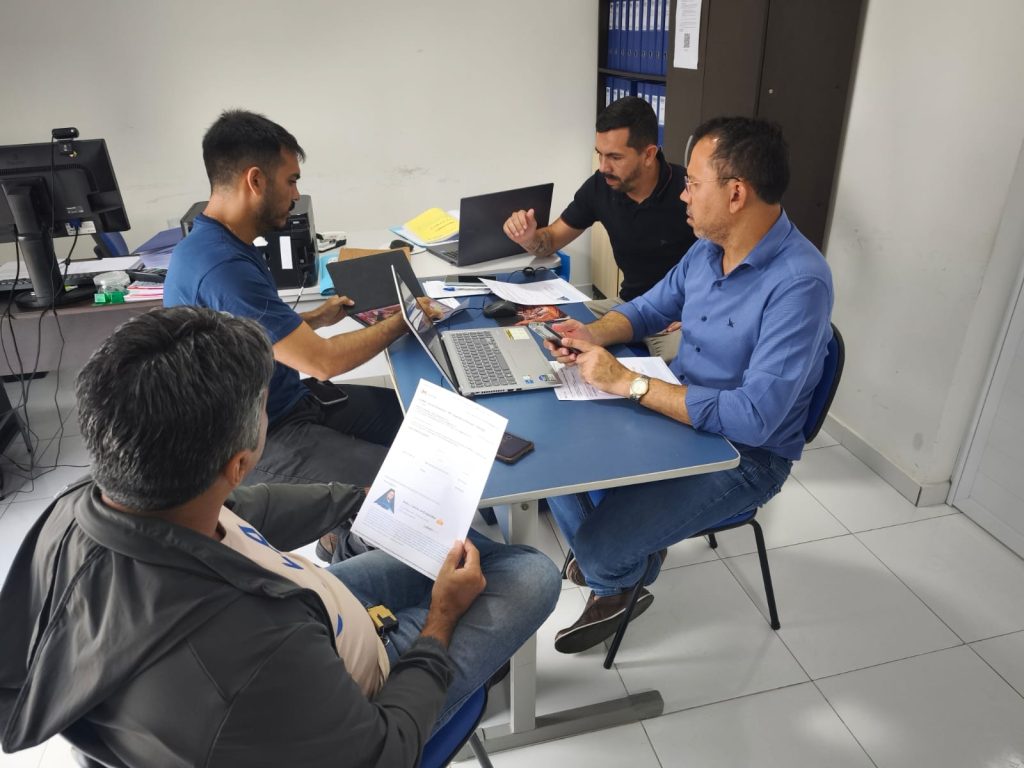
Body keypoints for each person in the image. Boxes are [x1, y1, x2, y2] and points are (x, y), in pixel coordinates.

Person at [0, 306, 560, 767]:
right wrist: (440, 622)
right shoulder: (247, 657)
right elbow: (383, 752)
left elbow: (243, 509)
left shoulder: (85, 506)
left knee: (459, 555)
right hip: (349, 681)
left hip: (301, 612)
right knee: (529, 572)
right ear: (240, 463)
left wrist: (355, 498)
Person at [539, 117, 834, 655]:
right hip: (682, 411)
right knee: (551, 455)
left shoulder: (799, 283)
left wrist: (629, 383)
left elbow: (752, 419)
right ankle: (627, 552)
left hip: (745, 454)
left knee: (598, 550)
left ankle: (618, 572)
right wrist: (590, 334)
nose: (683, 194)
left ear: (736, 193)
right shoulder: (708, 247)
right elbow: (649, 309)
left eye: (694, 183)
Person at [164, 109, 426, 561]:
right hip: (255, 443)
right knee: (409, 488)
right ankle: (347, 547)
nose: (296, 195)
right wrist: (406, 317)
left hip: (289, 405)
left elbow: (252, 329)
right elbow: (324, 362)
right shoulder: (222, 266)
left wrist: (315, 319)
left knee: (420, 427)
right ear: (255, 180)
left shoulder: (219, 242)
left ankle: (338, 530)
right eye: (291, 181)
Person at [502, 96, 697, 358]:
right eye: (600, 154)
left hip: (677, 315)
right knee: (552, 328)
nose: (604, 167)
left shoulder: (688, 193)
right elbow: (551, 241)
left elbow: (729, 269)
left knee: (683, 364)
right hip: (628, 306)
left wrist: (698, 312)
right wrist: (528, 237)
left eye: (615, 157)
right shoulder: (601, 185)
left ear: (649, 154)